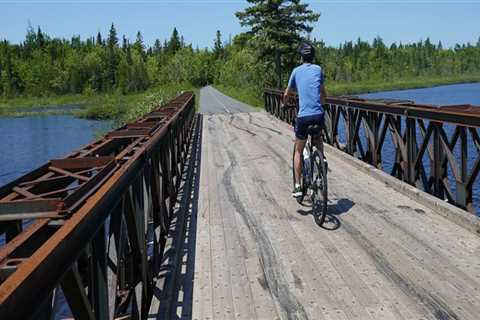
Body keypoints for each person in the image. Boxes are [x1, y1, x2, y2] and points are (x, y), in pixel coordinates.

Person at [283, 42, 327, 198]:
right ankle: (322, 162)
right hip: (318, 114)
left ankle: (297, 186)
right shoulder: (318, 69)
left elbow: (287, 93)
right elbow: (322, 93)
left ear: (301, 57)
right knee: (318, 137)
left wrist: (285, 103)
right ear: (313, 56)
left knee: (298, 150)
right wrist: (322, 104)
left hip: (303, 117)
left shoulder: (296, 71)